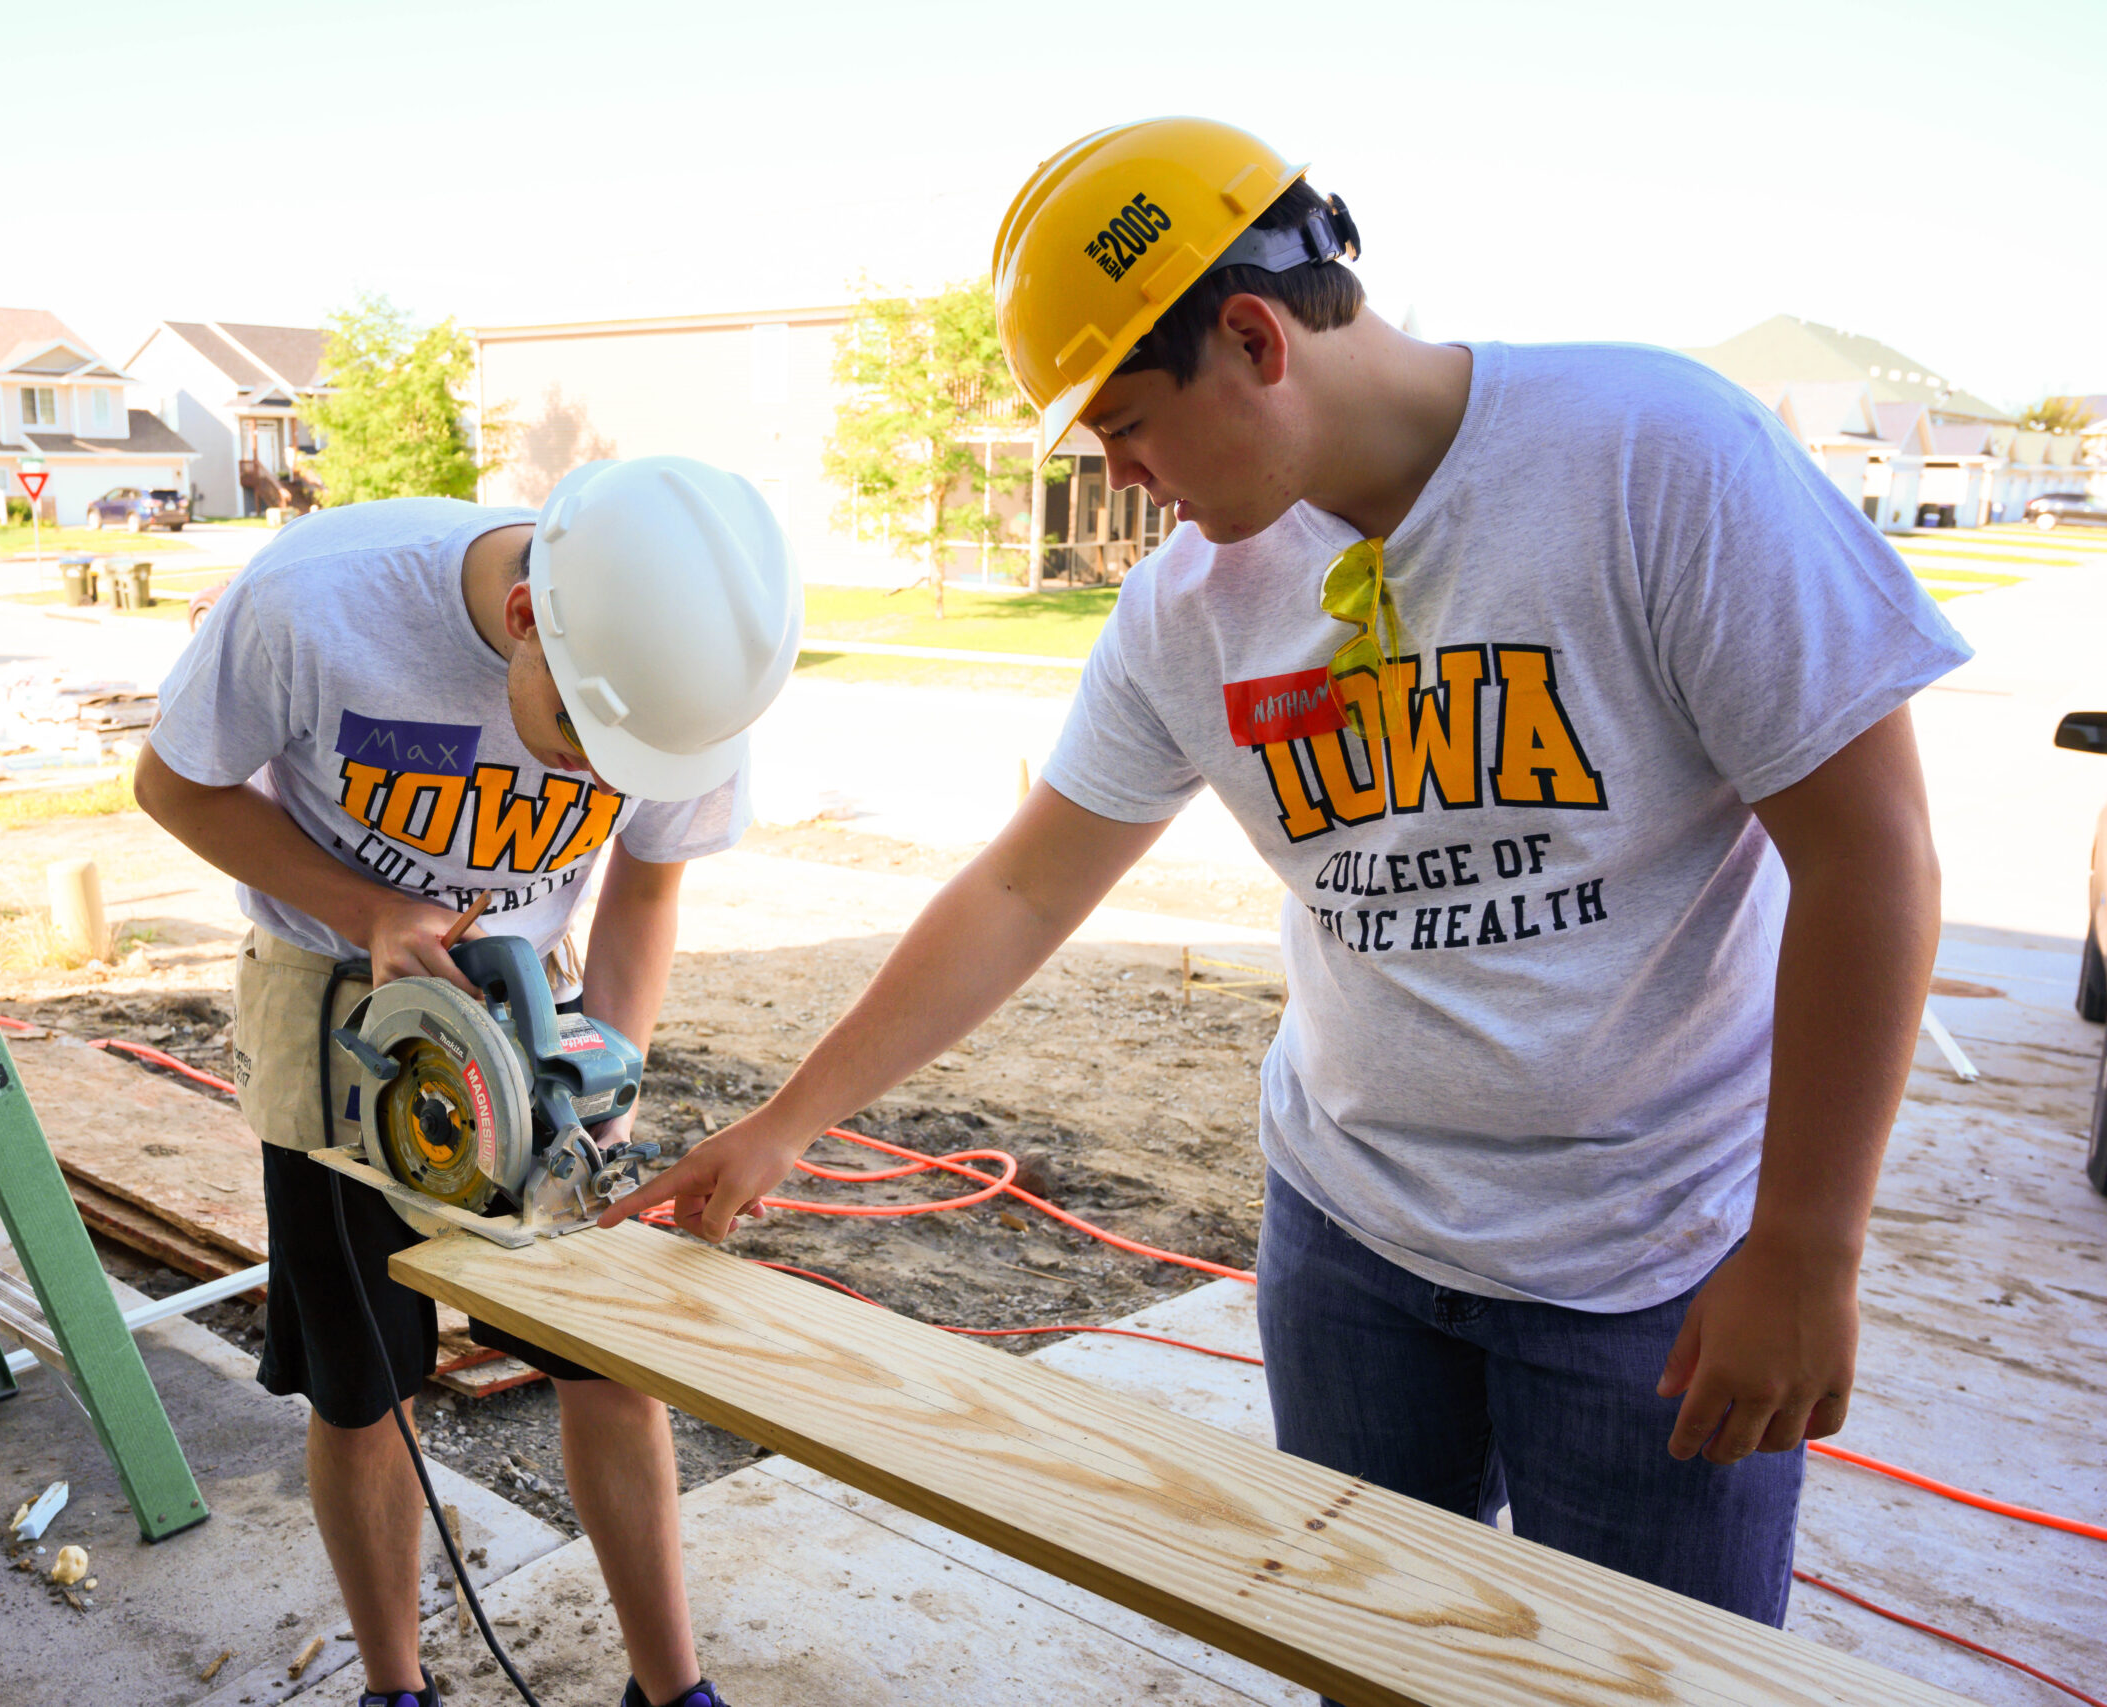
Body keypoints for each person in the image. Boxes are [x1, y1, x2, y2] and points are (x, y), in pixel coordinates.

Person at [608, 116, 1966, 1646]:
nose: (1119, 479)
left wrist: (1803, 1243)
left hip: (1646, 1260)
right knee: (1371, 1656)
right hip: (1353, 1246)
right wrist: (787, 1121)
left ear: (1253, 336)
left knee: (1644, 1679)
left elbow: (1869, 853)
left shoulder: (1654, 460)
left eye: (1125, 427)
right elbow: (1024, 890)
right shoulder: (1191, 602)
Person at [138, 456, 800, 1707]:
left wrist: (603, 1067)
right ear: (522, 617)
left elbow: (648, 882)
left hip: (522, 994)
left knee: (603, 1355)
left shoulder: (687, 673)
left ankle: (671, 1692)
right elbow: (174, 783)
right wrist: (367, 907)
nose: (596, 785)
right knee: (364, 1377)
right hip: (335, 996)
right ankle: (396, 1688)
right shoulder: (314, 601)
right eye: (575, 747)